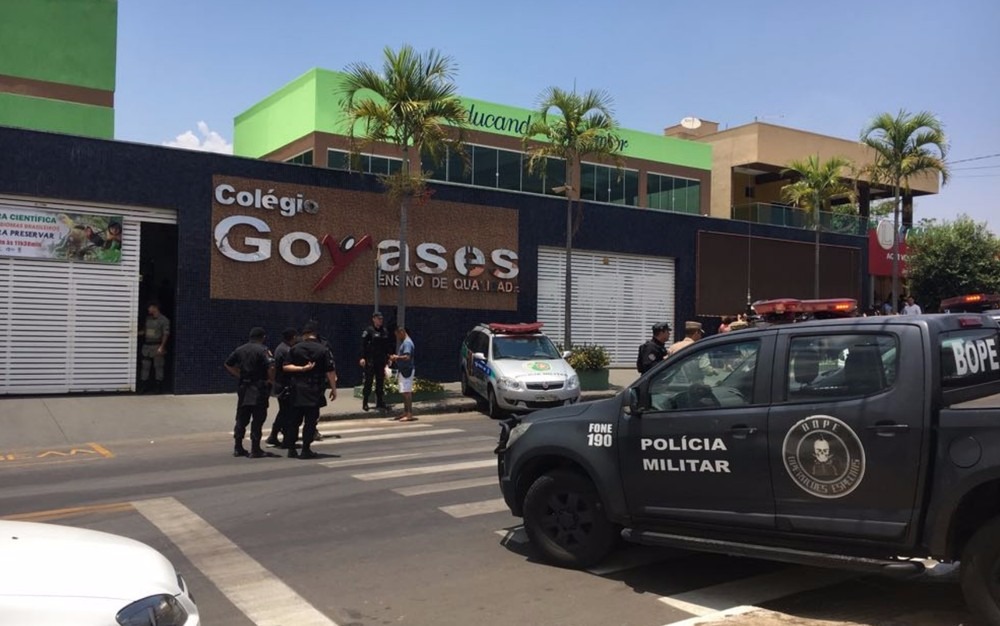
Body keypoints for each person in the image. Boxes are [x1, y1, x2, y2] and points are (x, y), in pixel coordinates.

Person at [283, 321, 337, 459]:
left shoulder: (294, 349)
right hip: (314, 390)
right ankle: (306, 449)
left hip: (296, 389)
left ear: (304, 335)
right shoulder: (323, 350)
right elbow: (330, 371)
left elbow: (286, 367)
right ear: (315, 334)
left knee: (294, 420)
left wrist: (301, 369)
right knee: (310, 421)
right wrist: (333, 389)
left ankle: (291, 449)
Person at [224, 327, 275, 458]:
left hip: (244, 387)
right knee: (258, 418)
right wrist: (271, 380)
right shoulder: (263, 350)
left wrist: (239, 375)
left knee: (241, 417)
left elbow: (228, 364)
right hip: (258, 387)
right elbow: (271, 366)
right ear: (262, 337)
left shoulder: (240, 349)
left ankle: (238, 447)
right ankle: (255, 448)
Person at [265, 327, 298, 448]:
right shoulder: (286, 350)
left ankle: (274, 436)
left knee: (283, 411)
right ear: (293, 337)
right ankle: (285, 439)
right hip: (284, 385)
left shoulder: (281, 348)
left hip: (280, 384)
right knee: (287, 412)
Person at [359, 311, 393, 411]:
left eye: (381, 319)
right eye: (378, 319)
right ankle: (365, 402)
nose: (380, 320)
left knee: (380, 382)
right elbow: (363, 345)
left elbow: (387, 346)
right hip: (370, 360)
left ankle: (380, 402)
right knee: (368, 382)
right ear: (373, 319)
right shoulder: (369, 331)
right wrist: (362, 357)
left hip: (381, 361)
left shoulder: (385, 331)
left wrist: (389, 358)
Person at [138, 302, 170, 393]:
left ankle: (158, 387)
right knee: (145, 366)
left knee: (158, 366)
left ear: (155, 307)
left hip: (157, 346)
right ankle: (144, 386)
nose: (148, 309)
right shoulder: (148, 319)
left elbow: (166, 334)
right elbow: (145, 331)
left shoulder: (164, 320)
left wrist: (162, 347)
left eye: (149, 307)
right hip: (147, 347)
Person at [389, 326, 416, 422]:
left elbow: (407, 357)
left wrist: (397, 357)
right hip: (404, 370)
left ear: (402, 332)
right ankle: (405, 412)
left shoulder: (407, 343)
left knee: (407, 392)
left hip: (407, 370)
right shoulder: (405, 342)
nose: (397, 338)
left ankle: (409, 414)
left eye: (398, 335)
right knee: (404, 392)